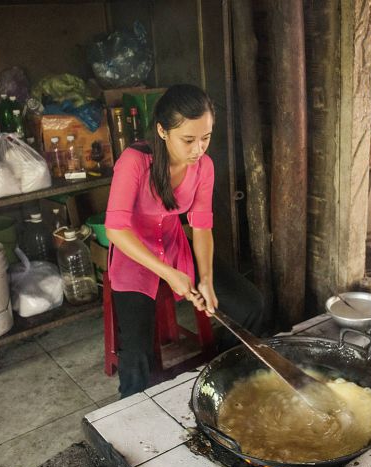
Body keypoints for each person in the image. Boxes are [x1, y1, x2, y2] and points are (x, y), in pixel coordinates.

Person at [105, 84, 265, 398]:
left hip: (175, 247)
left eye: (206, 138)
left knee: (250, 305)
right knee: (137, 357)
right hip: (133, 255)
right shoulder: (134, 162)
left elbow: (201, 227)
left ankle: (225, 382)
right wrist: (168, 273)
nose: (198, 149)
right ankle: (132, 411)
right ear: (162, 131)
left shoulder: (204, 167)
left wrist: (205, 280)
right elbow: (116, 230)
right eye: (188, 140)